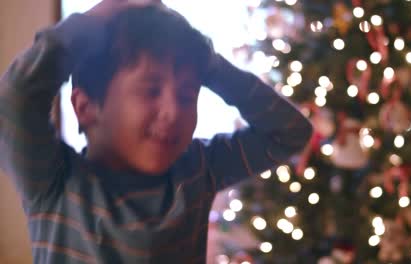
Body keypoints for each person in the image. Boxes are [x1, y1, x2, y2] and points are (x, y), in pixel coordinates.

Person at [0, 0, 312, 263]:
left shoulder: (197, 171)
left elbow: (289, 133)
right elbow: (17, 97)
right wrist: (111, 8)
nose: (173, 111)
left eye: (187, 94)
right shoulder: (54, 181)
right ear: (85, 108)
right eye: (150, 90)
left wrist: (212, 68)